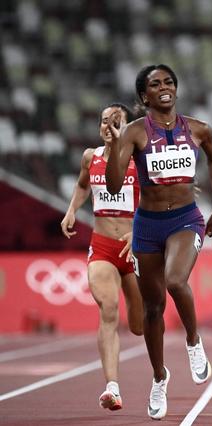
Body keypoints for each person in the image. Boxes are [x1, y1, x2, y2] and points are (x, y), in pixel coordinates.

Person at [105, 64, 212, 420]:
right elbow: (113, 186)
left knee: (176, 280)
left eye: (168, 82)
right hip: (148, 225)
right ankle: (159, 377)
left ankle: (193, 341)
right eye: (155, 84)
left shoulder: (199, 129)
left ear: (176, 88)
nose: (163, 87)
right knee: (152, 308)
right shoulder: (134, 132)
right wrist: (114, 146)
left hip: (186, 218)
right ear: (145, 96)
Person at [61, 103, 142, 412]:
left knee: (138, 324)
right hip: (103, 247)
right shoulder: (90, 157)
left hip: (135, 248)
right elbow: (83, 185)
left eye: (115, 121)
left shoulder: (139, 159)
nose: (108, 125)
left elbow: (156, 199)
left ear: (127, 126)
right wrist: (71, 210)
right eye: (104, 120)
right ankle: (112, 387)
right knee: (108, 310)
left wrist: (139, 231)